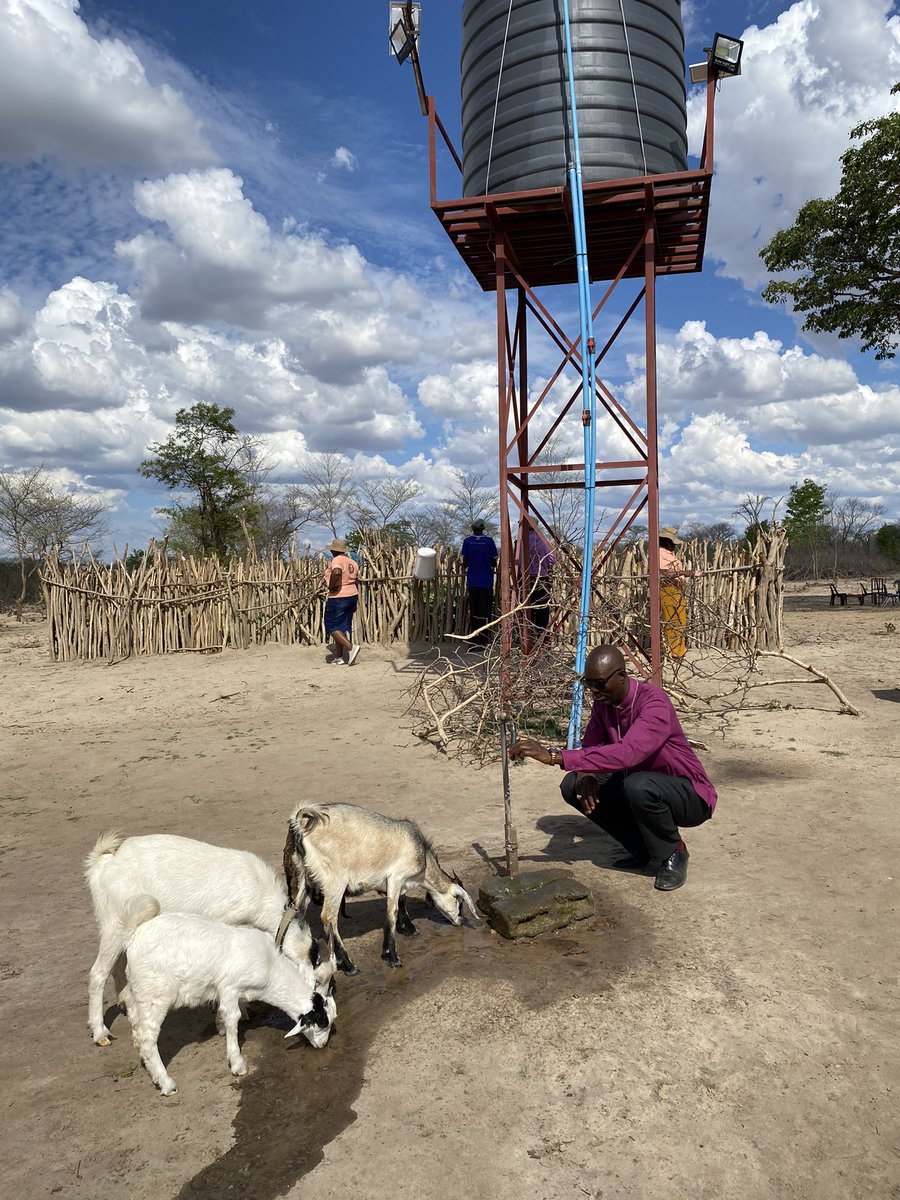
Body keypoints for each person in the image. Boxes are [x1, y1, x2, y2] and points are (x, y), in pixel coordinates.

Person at [508, 644, 716, 891]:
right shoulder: (604, 703)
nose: (594, 692)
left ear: (621, 676)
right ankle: (642, 848)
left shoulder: (654, 703)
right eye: (589, 684)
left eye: (599, 684)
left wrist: (554, 757)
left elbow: (628, 753)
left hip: (689, 794)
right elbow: (591, 745)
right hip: (639, 784)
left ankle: (673, 852)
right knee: (573, 785)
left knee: (638, 785)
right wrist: (586, 775)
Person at [322, 536, 361, 665]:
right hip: (352, 595)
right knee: (341, 626)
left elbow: (337, 572)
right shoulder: (352, 562)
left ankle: (351, 647)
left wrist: (332, 586)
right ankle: (339, 656)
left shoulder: (337, 560)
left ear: (334, 550)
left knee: (331, 625)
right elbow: (356, 580)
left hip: (339, 597)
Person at [460, 519, 497, 648]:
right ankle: (483, 639)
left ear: (472, 528)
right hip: (486, 581)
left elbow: (465, 563)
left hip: (473, 581)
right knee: (485, 610)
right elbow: (494, 562)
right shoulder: (489, 542)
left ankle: (475, 638)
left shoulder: (467, 542)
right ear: (483, 528)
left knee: (474, 610)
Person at [659, 526, 688, 658]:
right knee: (672, 620)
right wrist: (685, 572)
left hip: (676, 588)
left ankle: (679, 650)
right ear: (667, 542)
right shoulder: (660, 553)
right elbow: (664, 573)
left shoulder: (669, 554)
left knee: (680, 620)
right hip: (668, 588)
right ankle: (674, 652)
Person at [524, 526, 556, 633]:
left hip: (525, 579)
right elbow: (552, 560)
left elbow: (518, 562)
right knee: (542, 609)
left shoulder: (521, 541)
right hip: (541, 579)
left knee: (526, 609)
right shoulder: (543, 540)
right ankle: (540, 636)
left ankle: (527, 635)